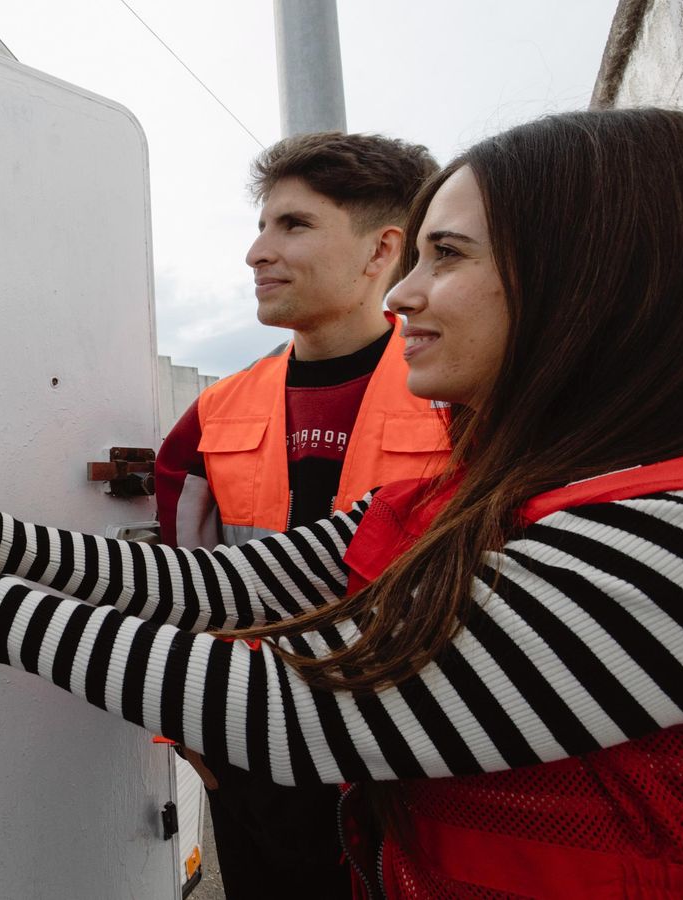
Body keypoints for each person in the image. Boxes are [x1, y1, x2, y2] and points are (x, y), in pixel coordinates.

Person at [0, 107, 683, 896]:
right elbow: (224, 582)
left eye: (446, 256)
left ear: (593, 283)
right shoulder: (489, 499)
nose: (404, 294)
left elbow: (315, 719)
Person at [156, 133, 443, 899]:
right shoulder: (212, 414)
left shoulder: (461, 401)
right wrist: (185, 720)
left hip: (416, 755)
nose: (257, 252)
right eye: (260, 226)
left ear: (383, 249)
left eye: (294, 225)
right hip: (252, 749)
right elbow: (175, 584)